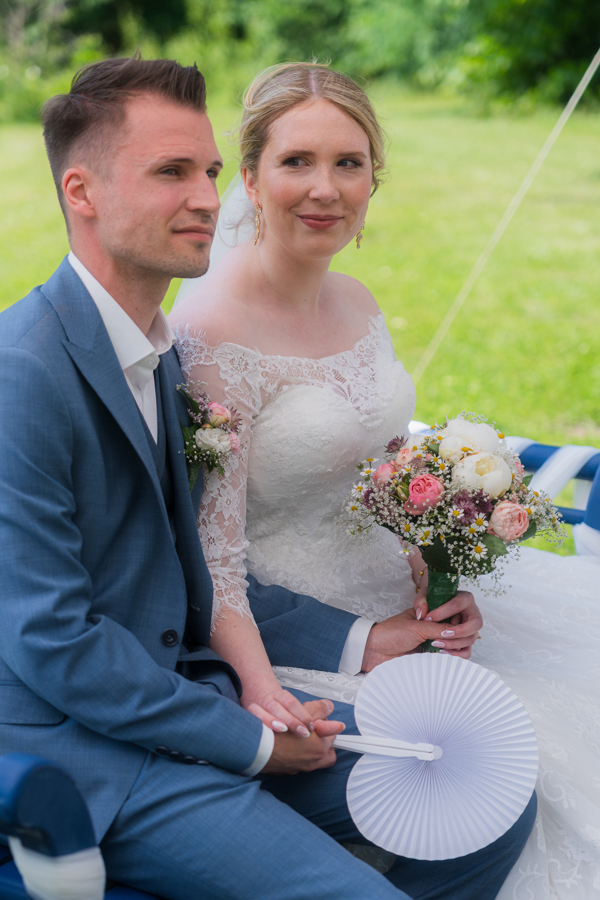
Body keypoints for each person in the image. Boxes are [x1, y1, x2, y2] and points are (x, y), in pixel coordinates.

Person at [0, 55, 536, 900]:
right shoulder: (24, 372)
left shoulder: (157, 352)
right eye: (171, 172)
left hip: (198, 690)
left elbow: (189, 559)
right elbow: (54, 642)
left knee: (484, 793)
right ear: (82, 192)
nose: (207, 198)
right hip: (95, 760)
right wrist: (251, 735)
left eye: (208, 171)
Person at [169, 62, 600, 900]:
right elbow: (204, 561)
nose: (325, 189)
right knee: (509, 772)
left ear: (373, 179)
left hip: (408, 605)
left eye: (349, 163)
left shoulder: (360, 303)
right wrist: (362, 642)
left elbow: (388, 472)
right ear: (249, 178)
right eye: (296, 161)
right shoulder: (210, 335)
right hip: (292, 636)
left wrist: (436, 572)